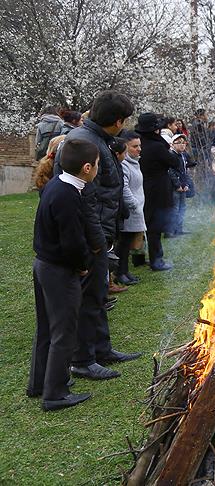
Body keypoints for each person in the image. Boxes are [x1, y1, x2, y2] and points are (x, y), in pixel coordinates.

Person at [56, 91, 140, 380]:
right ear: (117, 121)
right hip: (91, 235)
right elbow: (86, 198)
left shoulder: (97, 138)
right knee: (89, 297)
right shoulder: (86, 142)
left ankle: (102, 348)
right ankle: (82, 359)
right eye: (125, 120)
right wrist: (96, 240)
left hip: (102, 231)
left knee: (99, 294)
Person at [28, 139, 99, 410]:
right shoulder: (68, 194)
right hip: (58, 269)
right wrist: (82, 264)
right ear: (87, 167)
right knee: (63, 331)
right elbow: (71, 240)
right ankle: (55, 393)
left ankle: (39, 383)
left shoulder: (58, 184)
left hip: (43, 264)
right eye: (97, 165)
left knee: (47, 326)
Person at [137, 112, 183, 272]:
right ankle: (157, 260)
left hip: (142, 186)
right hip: (157, 188)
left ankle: (142, 257)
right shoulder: (156, 146)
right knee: (155, 226)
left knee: (146, 224)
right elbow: (174, 161)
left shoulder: (140, 143)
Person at [116, 134, 145, 286]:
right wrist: (134, 204)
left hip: (136, 209)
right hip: (129, 210)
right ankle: (120, 273)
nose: (139, 149)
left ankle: (125, 271)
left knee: (127, 243)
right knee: (123, 242)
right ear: (125, 148)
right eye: (135, 146)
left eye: (139, 146)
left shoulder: (135, 162)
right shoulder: (124, 165)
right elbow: (124, 187)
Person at [168, 134, 193, 235]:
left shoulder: (183, 156)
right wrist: (177, 185)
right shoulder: (171, 155)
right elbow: (171, 172)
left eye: (183, 143)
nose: (182, 145)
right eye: (179, 143)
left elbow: (184, 172)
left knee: (182, 208)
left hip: (183, 186)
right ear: (172, 144)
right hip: (175, 187)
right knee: (174, 208)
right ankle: (170, 231)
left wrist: (186, 184)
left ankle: (179, 229)